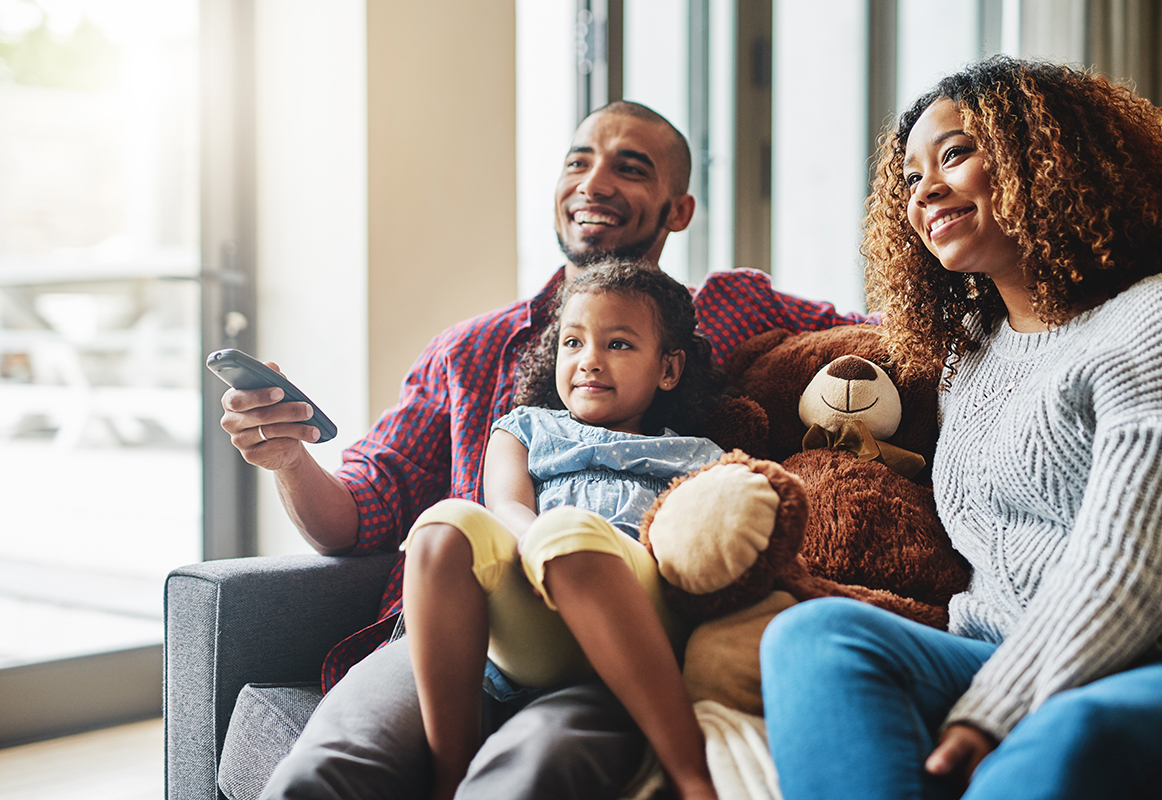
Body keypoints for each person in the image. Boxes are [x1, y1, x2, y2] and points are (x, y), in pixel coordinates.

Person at [225, 100, 872, 799]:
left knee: (529, 776)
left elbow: (888, 340)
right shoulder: (471, 350)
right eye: (578, 162)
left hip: (614, 633)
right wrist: (289, 458)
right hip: (454, 634)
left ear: (676, 210)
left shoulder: (732, 312)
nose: (594, 183)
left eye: (630, 168)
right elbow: (357, 514)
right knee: (322, 777)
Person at [759, 56, 1162, 800]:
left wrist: (993, 713)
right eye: (908, 178)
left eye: (955, 154)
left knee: (1066, 733)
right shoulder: (972, 347)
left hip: (1152, 656)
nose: (924, 190)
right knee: (811, 638)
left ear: (1049, 159)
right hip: (994, 651)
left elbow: (1130, 571)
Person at [405, 261, 724, 800]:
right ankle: (449, 778)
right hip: (533, 602)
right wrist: (533, 540)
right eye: (573, 343)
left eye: (618, 345)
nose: (589, 361)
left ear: (668, 369)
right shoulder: (523, 428)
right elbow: (504, 503)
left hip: (638, 605)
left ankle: (691, 774)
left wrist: (557, 536)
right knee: (441, 529)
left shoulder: (699, 456)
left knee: (569, 533)